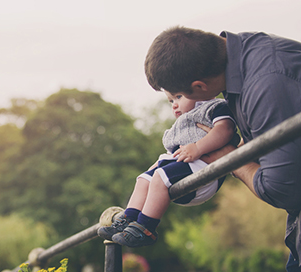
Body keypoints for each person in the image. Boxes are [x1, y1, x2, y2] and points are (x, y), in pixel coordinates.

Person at [143, 26, 301, 272]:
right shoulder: (243, 55)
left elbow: (284, 189)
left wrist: (231, 159)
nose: (178, 107)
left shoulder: (267, 85)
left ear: (200, 87)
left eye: (178, 97)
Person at [97, 93, 237, 247]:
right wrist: (153, 169)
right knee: (143, 179)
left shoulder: (215, 107)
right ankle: (128, 219)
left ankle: (145, 228)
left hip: (203, 171)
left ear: (198, 89)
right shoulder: (181, 124)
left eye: (178, 97)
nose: (174, 105)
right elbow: (172, 154)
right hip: (181, 168)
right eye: (171, 101)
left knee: (159, 176)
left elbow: (226, 130)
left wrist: (198, 147)